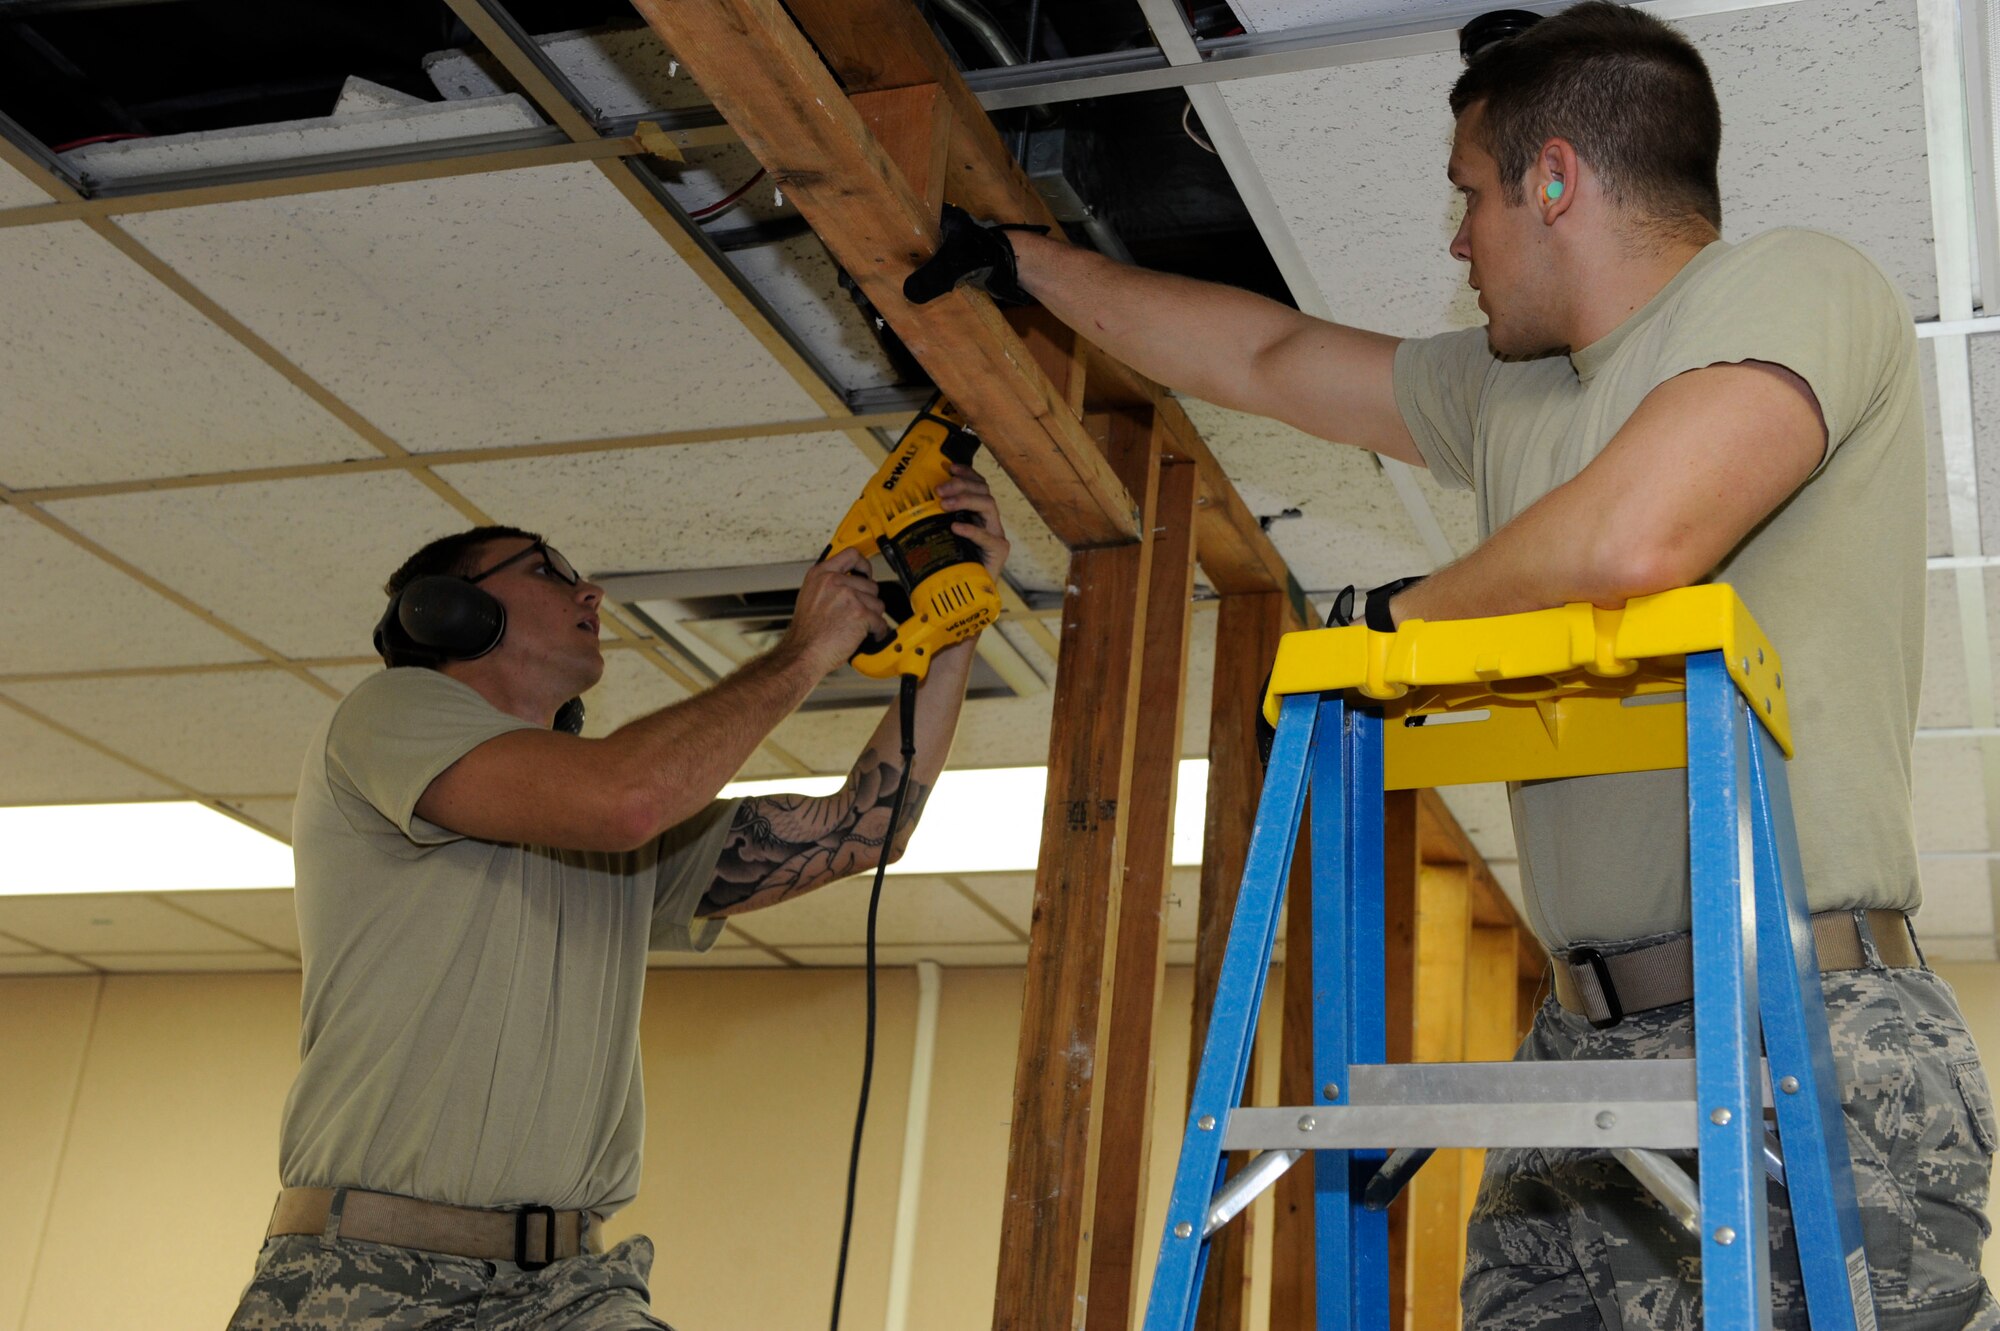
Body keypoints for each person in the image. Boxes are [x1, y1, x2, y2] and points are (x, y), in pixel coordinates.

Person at [905, 3, 1996, 1328]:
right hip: (1584, 1036)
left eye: (1470, 193)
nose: (1455, 236)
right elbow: (1267, 355)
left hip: (1804, 1024)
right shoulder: (1511, 393)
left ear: (1555, 181)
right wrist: (1029, 268)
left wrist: (1386, 622)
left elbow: (1641, 536)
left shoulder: (1794, 283)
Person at [227, 466, 1008, 1330]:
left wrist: (956, 620)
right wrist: (804, 650)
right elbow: (625, 797)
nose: (587, 589)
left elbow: (867, 827)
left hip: (567, 1286)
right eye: (546, 570)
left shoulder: (616, 841)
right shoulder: (390, 711)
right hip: (372, 1282)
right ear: (447, 611)